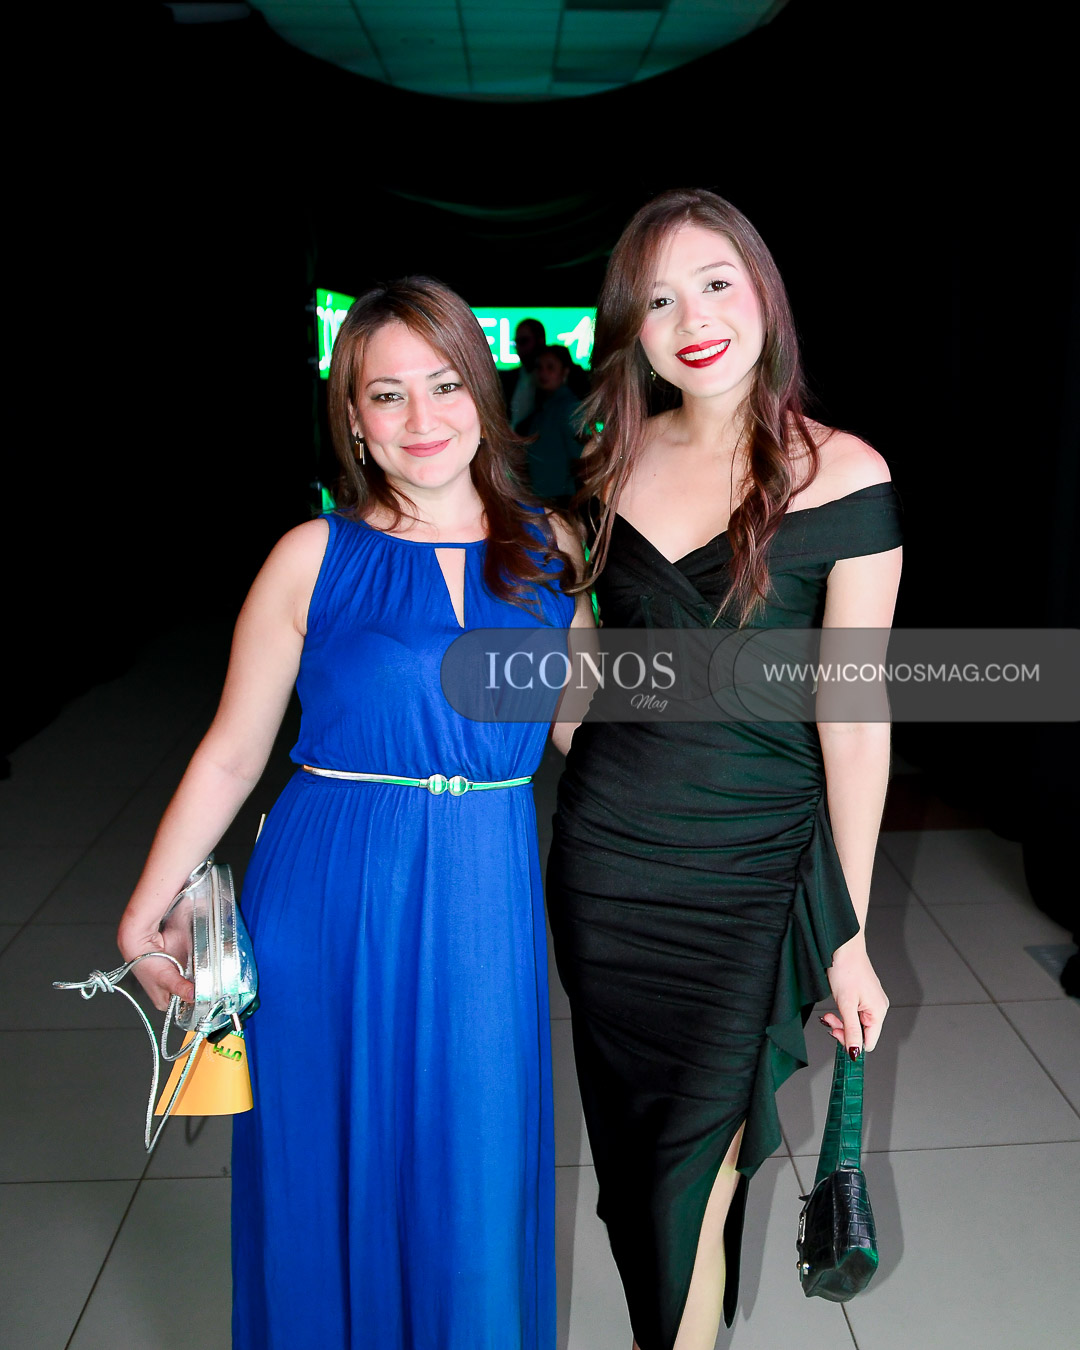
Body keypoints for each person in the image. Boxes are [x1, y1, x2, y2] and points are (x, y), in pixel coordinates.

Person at [116, 277, 592, 1350]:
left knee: (475, 1170)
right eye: (387, 394)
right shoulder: (311, 555)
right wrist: (144, 908)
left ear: (484, 395)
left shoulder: (551, 548)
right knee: (329, 1161)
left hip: (482, 891)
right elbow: (234, 751)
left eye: (445, 384)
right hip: (330, 891)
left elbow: (590, 731)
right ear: (354, 420)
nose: (423, 418)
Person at [546, 189, 903, 1350]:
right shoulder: (608, 466)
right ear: (631, 330)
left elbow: (854, 718)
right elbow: (583, 691)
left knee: (693, 1168)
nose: (692, 319)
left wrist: (847, 933)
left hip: (753, 877)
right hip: (609, 872)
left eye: (714, 284)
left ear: (763, 295)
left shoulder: (846, 477)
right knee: (639, 1164)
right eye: (658, 300)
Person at [517, 344, 584, 504]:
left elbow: (580, 457)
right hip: (544, 496)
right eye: (539, 367)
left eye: (550, 367)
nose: (543, 373)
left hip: (563, 499)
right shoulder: (544, 407)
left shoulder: (570, 408)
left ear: (565, 372)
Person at [502, 317, 546, 426]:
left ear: (540, 341)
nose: (519, 348)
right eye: (517, 342)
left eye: (524, 341)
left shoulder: (555, 382)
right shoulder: (507, 379)